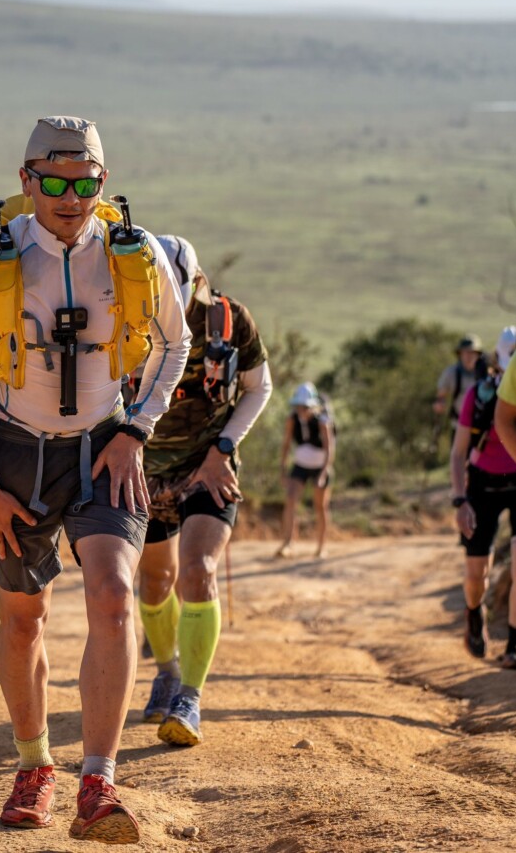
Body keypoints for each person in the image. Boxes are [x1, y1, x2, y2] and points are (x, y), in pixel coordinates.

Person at [0, 117, 190, 843]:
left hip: (106, 447)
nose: (69, 197)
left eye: (83, 183)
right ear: (26, 182)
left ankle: (99, 779)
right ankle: (33, 764)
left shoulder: (134, 257)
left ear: (102, 184)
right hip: (16, 455)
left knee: (114, 598)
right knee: (25, 617)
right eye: (52, 182)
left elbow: (174, 345)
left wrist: (137, 431)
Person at [137, 252, 272, 747]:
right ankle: (167, 672)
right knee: (155, 581)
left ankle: (189, 697)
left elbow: (260, 388)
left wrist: (222, 450)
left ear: (195, 282)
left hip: (208, 470)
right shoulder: (128, 317)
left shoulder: (230, 322)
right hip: (143, 472)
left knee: (198, 569)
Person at [482, 324, 516, 666]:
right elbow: (503, 420)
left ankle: (514, 644)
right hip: (499, 483)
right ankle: (511, 642)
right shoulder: (481, 393)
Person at [275, 382, 334, 559]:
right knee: (291, 499)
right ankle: (287, 543)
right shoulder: (292, 420)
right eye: (299, 406)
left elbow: (329, 449)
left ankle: (321, 547)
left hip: (320, 467)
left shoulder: (323, 422)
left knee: (320, 506)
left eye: (305, 406)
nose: (302, 410)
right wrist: (283, 469)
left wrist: (324, 473)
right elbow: (286, 445)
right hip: (300, 465)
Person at [433, 335, 487, 436]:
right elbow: (440, 396)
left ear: (478, 355)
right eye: (465, 353)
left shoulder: (487, 374)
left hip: (481, 426)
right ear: (460, 354)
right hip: (458, 425)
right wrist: (440, 403)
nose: (468, 356)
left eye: (472, 353)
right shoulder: (451, 373)